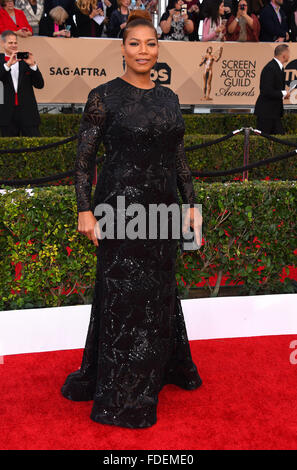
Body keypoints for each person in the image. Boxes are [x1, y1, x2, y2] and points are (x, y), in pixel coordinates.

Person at [60, 9, 203, 429]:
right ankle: (123, 391)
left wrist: (190, 202)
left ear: (159, 49)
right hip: (119, 211)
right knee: (123, 296)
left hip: (161, 211)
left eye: (151, 43)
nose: (144, 50)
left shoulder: (169, 98)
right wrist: (85, 209)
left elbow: (178, 157)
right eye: (135, 43)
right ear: (122, 49)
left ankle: (161, 367)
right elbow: (83, 162)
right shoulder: (104, 96)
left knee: (159, 290)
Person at [0, 29, 44, 136]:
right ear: (2, 43)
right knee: (9, 149)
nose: (14, 45)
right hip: (6, 113)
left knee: (34, 147)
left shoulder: (25, 61)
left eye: (15, 42)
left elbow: (40, 84)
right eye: (10, 43)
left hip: (27, 112)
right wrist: (8, 65)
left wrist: (33, 65)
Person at [254, 44, 290, 135]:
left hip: (274, 112)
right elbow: (266, 91)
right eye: (288, 53)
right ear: (284, 55)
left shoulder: (279, 68)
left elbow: (274, 90)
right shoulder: (270, 68)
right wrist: (283, 93)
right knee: (264, 142)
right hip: (266, 113)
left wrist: (283, 95)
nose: (289, 55)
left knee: (279, 139)